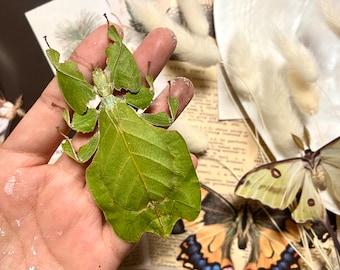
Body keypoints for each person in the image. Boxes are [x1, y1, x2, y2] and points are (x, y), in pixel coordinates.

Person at [0, 24, 197, 269]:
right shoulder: (132, 100)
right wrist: (146, 77)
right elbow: (150, 102)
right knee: (163, 119)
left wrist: (66, 128)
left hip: (129, 179)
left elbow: (76, 131)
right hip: (147, 173)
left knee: (86, 157)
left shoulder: (90, 120)